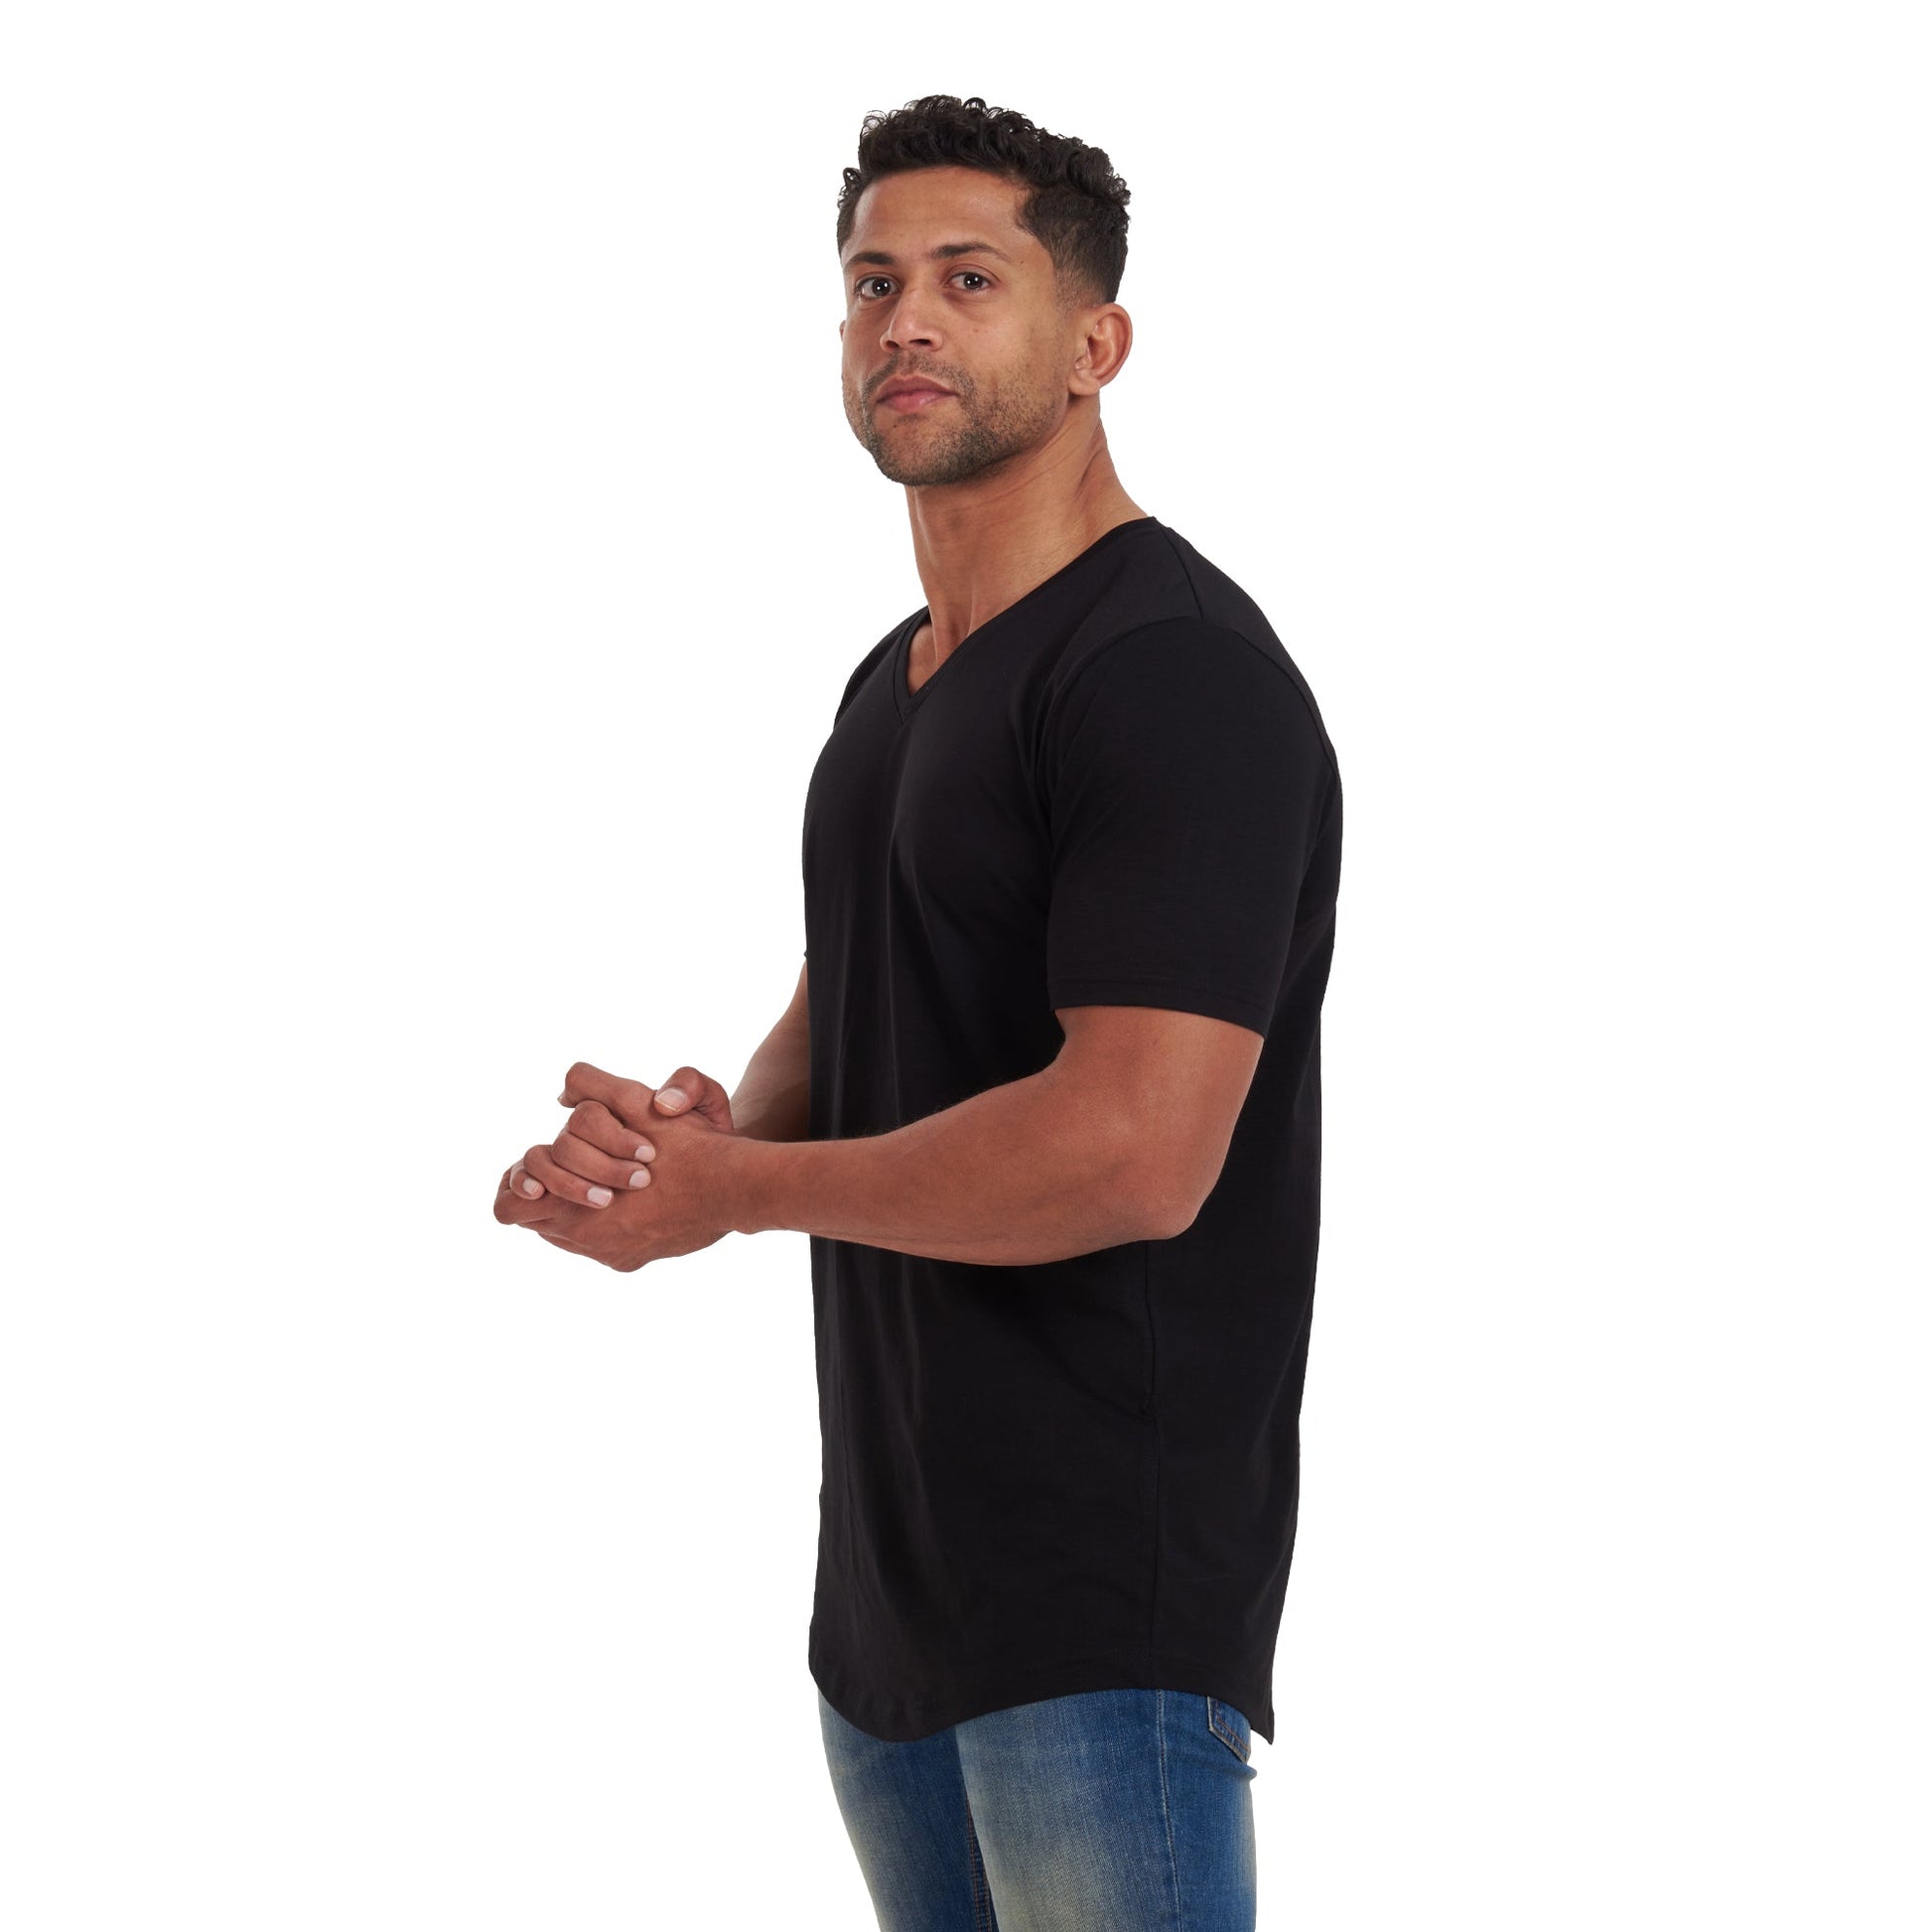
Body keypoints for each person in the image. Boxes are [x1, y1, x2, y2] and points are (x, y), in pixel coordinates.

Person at [493, 92, 1343, 1932]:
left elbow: (1132, 1150)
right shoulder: (896, 685)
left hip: (1099, 1608)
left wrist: (742, 1195)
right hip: (890, 1601)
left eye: (970, 279)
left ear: (1097, 344)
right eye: (873, 283)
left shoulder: (1170, 676)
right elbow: (867, 981)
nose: (907, 323)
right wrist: (696, 1146)